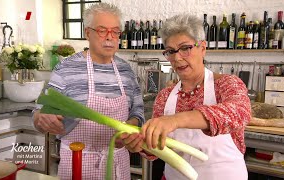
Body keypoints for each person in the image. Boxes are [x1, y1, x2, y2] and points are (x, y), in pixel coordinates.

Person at [121, 14, 251, 180]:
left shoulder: (226, 84)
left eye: (185, 48)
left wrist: (175, 120)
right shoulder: (165, 96)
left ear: (202, 48)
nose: (177, 58)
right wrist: (142, 145)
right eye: (170, 51)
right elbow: (159, 149)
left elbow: (239, 113)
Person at [33, 3, 145, 180]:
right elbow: (40, 110)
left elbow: (138, 110)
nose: (110, 37)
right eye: (102, 30)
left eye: (115, 31)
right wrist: (41, 117)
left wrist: (130, 126)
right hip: (77, 162)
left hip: (117, 165)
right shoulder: (66, 68)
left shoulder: (126, 71)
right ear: (88, 33)